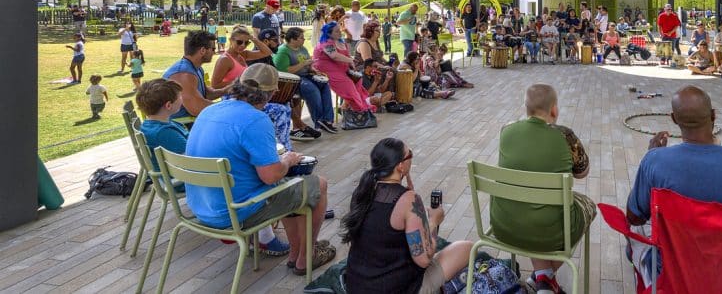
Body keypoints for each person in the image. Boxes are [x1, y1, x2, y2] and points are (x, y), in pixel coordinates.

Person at [185, 64, 334, 275]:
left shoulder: (210, 109)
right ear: (273, 92)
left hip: (201, 206)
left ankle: (295, 253)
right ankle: (305, 257)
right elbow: (271, 175)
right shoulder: (256, 119)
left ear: (238, 85)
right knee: (318, 185)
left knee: (293, 187)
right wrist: (288, 161)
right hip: (235, 213)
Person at [626, 86, 722, 288]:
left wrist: (649, 157)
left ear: (674, 119)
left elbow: (634, 217)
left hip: (674, 279)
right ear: (713, 116)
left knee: (637, 231)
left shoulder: (655, 160)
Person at [136, 78, 290, 257]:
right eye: (180, 97)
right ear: (169, 105)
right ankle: (261, 235)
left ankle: (261, 235)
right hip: (191, 181)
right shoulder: (165, 133)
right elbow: (194, 156)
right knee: (253, 174)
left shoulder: (152, 126)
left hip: (186, 182)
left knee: (242, 170)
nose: (183, 99)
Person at [492, 85, 594, 294]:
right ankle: (545, 279)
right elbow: (582, 172)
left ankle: (542, 278)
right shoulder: (565, 135)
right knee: (585, 205)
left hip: (504, 224)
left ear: (526, 108)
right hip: (551, 232)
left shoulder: (507, 130)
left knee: (530, 203)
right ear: (554, 110)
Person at [342, 138, 472, 293]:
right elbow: (423, 259)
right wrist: (433, 221)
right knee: (467, 248)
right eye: (409, 154)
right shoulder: (408, 200)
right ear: (400, 166)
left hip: (357, 284)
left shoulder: (362, 191)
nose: (411, 156)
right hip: (398, 288)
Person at [274, 27, 336, 134]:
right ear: (293, 40)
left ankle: (327, 119)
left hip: (306, 75)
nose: (304, 40)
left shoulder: (302, 48)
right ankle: (319, 120)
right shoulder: (283, 51)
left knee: (324, 84)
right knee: (311, 89)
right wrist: (302, 64)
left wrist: (313, 70)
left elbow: (308, 65)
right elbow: (283, 71)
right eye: (301, 38)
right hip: (293, 80)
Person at [163, 30, 229, 120]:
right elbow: (197, 108)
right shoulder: (183, 74)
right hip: (180, 126)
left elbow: (207, 94)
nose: (214, 52)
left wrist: (227, 90)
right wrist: (230, 107)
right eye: (213, 49)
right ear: (202, 50)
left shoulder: (195, 68)